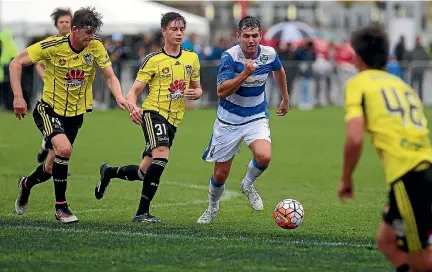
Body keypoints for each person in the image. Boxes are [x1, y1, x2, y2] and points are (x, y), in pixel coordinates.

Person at [10, 7, 133, 224]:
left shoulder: (95, 47)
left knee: (50, 168)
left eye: (93, 32)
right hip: (48, 109)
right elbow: (15, 63)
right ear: (74, 30)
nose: (90, 37)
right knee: (64, 149)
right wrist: (18, 97)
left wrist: (120, 97)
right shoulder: (53, 45)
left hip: (75, 116)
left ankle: (26, 184)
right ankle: (61, 208)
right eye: (87, 32)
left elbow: (110, 76)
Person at [338, 24, 432, 272]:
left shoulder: (359, 83)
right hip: (423, 168)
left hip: (410, 176)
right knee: (386, 240)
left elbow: (355, 138)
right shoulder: (401, 85)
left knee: (421, 259)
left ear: (357, 58)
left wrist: (346, 179)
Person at [94, 12, 202, 223]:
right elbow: (133, 91)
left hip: (174, 119)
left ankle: (108, 172)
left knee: (144, 172)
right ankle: (142, 213)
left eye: (182, 29)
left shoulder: (192, 58)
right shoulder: (153, 60)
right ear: (164, 31)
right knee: (162, 155)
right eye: (174, 29)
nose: (179, 33)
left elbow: (197, 89)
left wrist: (195, 94)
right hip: (153, 113)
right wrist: (133, 107)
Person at [197, 16, 289, 224]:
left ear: (260, 35)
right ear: (238, 36)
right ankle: (212, 207)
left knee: (264, 156)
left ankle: (247, 184)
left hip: (256, 116)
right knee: (220, 174)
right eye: (246, 36)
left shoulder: (269, 54)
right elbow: (221, 91)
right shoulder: (230, 57)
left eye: (255, 36)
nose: (251, 40)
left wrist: (285, 98)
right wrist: (244, 74)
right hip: (229, 121)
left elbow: (279, 71)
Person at [35, 7, 73, 166]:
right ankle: (55, 161)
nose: (64, 24)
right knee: (58, 131)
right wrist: (45, 78)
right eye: (61, 22)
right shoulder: (51, 44)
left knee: (67, 134)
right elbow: (39, 64)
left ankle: (52, 156)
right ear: (56, 25)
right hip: (53, 97)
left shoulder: (77, 43)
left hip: (71, 98)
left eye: (67, 22)